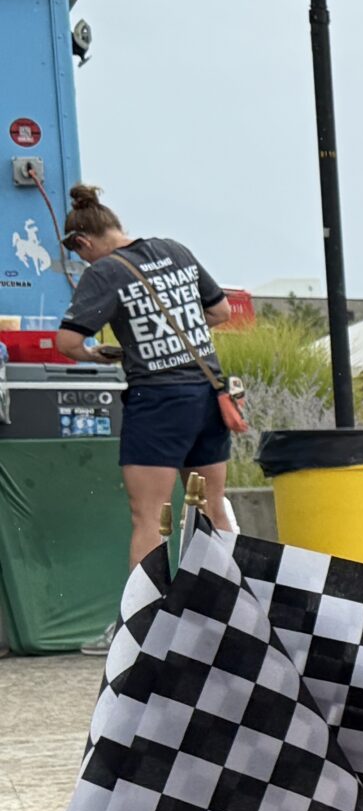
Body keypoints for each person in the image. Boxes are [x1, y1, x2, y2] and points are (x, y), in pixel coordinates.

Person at [53, 184, 238, 600]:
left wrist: (99, 354)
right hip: (209, 392)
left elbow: (66, 343)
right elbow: (220, 311)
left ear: (83, 241)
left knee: (151, 517)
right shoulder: (175, 250)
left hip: (158, 401)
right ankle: (234, 605)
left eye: (79, 253)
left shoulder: (105, 273)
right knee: (212, 506)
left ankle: (145, 617)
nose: (83, 261)